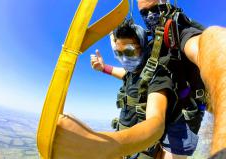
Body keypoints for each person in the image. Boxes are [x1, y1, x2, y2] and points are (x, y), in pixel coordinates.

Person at [53, 21, 205, 159]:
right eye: (118, 54)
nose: (124, 59)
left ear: (144, 48)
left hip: (137, 149)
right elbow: (122, 72)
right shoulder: (131, 73)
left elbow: (156, 123)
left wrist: (106, 145)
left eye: (129, 51)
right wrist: (103, 67)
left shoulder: (158, 75)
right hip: (124, 149)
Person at [136, 0, 226, 158]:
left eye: (155, 9)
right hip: (160, 111)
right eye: (144, 12)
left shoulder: (178, 29)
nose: (150, 16)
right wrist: (105, 68)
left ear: (166, 7)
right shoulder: (151, 43)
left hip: (182, 117)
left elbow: (206, 45)